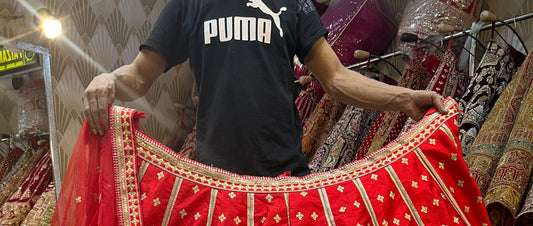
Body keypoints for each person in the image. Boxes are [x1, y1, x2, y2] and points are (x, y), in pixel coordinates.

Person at [82, 0, 447, 177]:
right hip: (218, 183)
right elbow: (138, 76)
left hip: (286, 178)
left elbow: (336, 79)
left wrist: (406, 98)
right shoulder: (189, 3)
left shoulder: (292, 2)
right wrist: (105, 80)